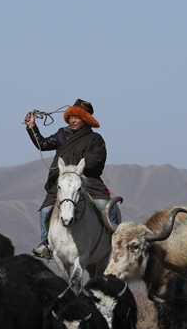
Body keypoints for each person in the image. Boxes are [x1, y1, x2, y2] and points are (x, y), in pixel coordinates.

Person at [24, 99, 119, 259]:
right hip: (63, 182)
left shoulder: (95, 140)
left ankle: (118, 242)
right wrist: (32, 126)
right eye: (71, 117)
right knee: (45, 211)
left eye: (77, 117)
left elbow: (96, 160)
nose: (73, 120)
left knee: (108, 207)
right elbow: (44, 144)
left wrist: (76, 166)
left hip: (88, 181)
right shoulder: (62, 134)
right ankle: (47, 244)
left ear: (86, 119)